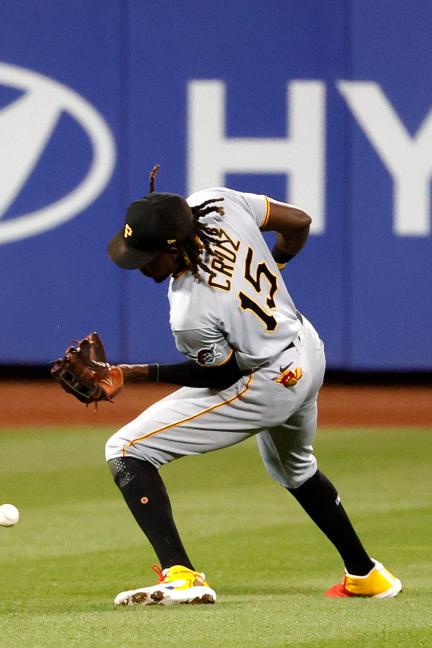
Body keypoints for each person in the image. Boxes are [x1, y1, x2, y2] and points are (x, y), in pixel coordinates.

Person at [101, 166, 401, 605]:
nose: (140, 266)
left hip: (266, 380)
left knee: (127, 449)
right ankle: (366, 574)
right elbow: (298, 222)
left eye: (146, 257)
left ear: (173, 247)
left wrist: (132, 373)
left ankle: (181, 575)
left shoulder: (188, 310)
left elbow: (222, 375)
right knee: (294, 469)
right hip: (306, 348)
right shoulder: (217, 202)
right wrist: (275, 265)